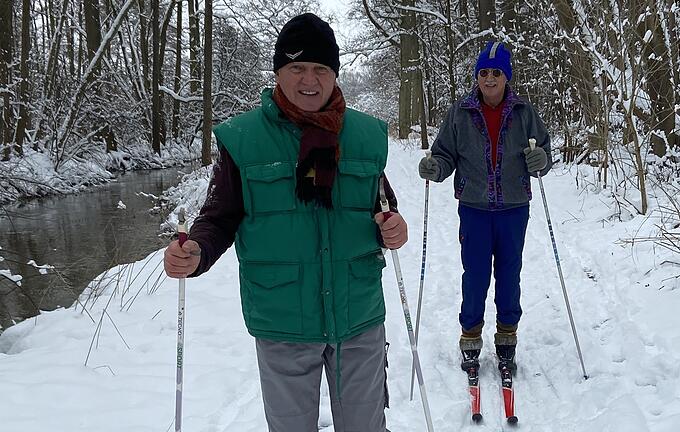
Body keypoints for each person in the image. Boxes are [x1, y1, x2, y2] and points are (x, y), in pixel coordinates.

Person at [163, 13, 407, 432]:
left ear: (334, 74)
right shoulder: (243, 140)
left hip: (358, 317)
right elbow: (220, 216)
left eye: (320, 68)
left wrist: (393, 226)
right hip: (283, 322)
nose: (309, 79)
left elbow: (382, 205)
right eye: (297, 67)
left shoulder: (364, 136)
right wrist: (197, 252)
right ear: (278, 72)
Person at [417, 41, 552, 376]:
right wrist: (436, 167)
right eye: (483, 72)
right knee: (475, 274)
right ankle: (471, 337)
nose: (489, 78)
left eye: (496, 72)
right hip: (475, 208)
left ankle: (507, 338)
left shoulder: (524, 112)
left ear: (506, 76)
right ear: (477, 76)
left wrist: (541, 160)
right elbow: (445, 153)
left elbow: (544, 152)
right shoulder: (460, 113)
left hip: (513, 208)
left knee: (509, 273)